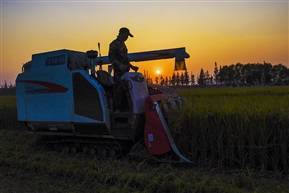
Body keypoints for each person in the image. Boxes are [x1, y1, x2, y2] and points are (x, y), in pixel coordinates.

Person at [108, 27, 139, 112]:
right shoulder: (114, 44)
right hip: (119, 71)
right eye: (126, 36)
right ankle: (117, 109)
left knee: (126, 89)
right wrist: (120, 65)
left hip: (125, 72)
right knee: (118, 89)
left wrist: (132, 66)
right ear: (122, 34)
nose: (127, 38)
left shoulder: (123, 44)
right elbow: (111, 57)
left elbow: (125, 58)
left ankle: (125, 108)